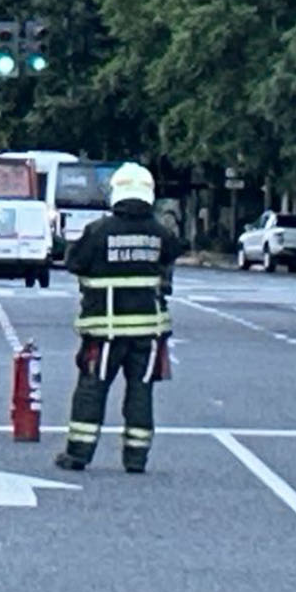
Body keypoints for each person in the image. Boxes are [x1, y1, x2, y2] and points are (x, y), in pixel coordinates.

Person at [55, 162, 183, 474]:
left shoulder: (100, 231)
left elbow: (74, 262)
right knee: (141, 392)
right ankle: (136, 458)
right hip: (149, 333)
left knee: (92, 389)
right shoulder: (159, 233)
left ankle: (78, 454)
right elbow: (172, 254)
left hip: (105, 331)